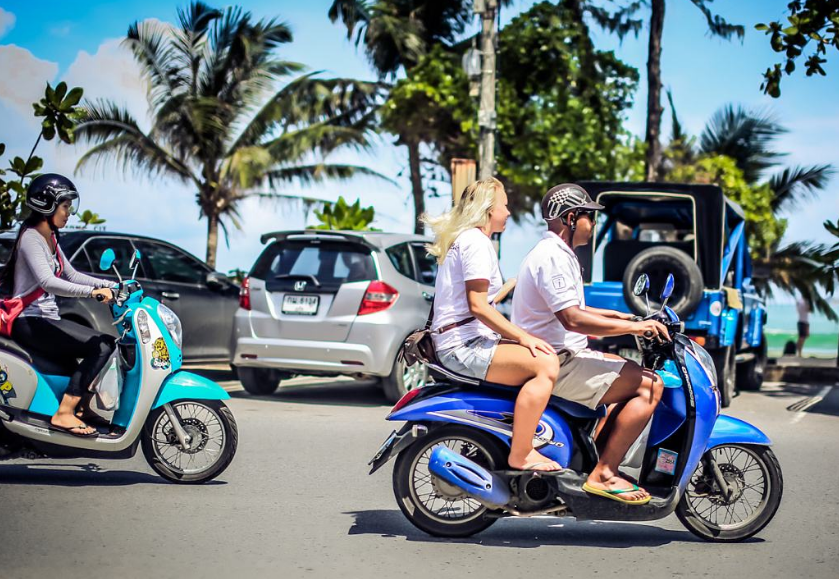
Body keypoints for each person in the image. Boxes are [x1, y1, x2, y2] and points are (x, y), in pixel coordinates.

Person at [512, 183, 668, 505]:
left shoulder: (560, 254)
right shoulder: (553, 256)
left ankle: (595, 457)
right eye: (589, 217)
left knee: (628, 377)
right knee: (650, 386)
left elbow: (572, 309)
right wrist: (635, 328)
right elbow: (572, 319)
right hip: (558, 360)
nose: (593, 225)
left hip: (562, 355)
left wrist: (623, 318)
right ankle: (605, 472)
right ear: (571, 219)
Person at [424, 177, 561, 472]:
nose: (509, 212)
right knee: (546, 363)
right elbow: (477, 306)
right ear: (489, 209)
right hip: (464, 346)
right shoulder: (476, 242)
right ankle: (522, 452)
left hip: (460, 340)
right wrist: (524, 338)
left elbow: (474, 302)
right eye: (505, 206)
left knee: (542, 355)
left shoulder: (467, 240)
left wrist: (508, 287)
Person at [0, 174, 116, 437]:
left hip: (45, 319)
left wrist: (115, 286)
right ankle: (65, 413)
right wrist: (93, 293)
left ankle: (81, 409)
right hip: (30, 321)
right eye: (65, 206)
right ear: (47, 206)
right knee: (102, 345)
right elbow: (49, 282)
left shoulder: (50, 237)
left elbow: (71, 274)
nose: (69, 213)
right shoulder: (31, 238)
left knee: (82, 358)